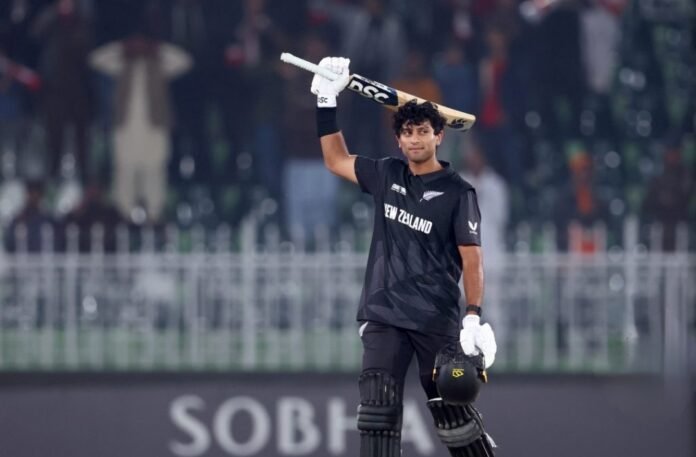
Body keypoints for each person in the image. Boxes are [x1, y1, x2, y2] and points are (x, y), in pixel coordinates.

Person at [310, 57, 497, 457]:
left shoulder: (458, 193)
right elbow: (335, 160)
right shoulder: (386, 174)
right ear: (398, 140)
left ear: (439, 136)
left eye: (423, 132)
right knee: (377, 409)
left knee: (454, 413)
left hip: (435, 317)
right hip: (385, 313)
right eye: (407, 133)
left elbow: (472, 260)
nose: (415, 140)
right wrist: (326, 102)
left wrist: (472, 316)